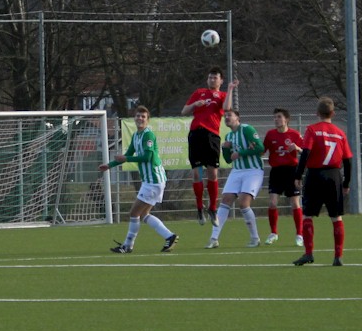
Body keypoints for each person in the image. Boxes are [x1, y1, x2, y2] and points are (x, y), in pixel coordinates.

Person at [100, 106, 179, 254]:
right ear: (134, 118)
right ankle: (169, 236)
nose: (140, 118)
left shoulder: (148, 135)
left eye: (143, 116)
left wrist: (126, 159)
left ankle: (128, 245)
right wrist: (109, 165)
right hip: (150, 181)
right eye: (138, 116)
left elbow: (147, 157)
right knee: (143, 215)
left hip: (154, 180)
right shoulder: (136, 136)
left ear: (148, 120)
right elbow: (128, 154)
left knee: (134, 213)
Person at [292, 97, 353, 267]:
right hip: (334, 176)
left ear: (317, 113)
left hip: (315, 175)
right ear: (333, 113)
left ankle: (308, 253)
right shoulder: (340, 133)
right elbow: (348, 161)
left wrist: (298, 175)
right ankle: (338, 256)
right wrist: (346, 183)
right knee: (336, 217)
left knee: (307, 215)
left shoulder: (312, 130)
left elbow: (305, 153)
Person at [181, 66, 238, 226]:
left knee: (212, 173)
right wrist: (195, 104)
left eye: (215, 78)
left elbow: (226, 108)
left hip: (212, 136)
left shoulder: (223, 95)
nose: (212, 80)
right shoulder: (199, 92)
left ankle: (212, 208)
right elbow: (184, 111)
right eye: (210, 77)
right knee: (196, 174)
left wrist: (230, 89)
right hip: (195, 134)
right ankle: (200, 208)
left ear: (221, 80)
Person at [205, 109, 264, 249]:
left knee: (243, 203)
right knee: (225, 200)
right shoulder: (229, 136)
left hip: (253, 170)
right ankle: (214, 238)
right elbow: (228, 159)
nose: (226, 117)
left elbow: (260, 148)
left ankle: (255, 238)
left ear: (237, 117)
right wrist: (225, 149)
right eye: (225, 116)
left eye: (229, 115)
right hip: (237, 171)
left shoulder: (247, 129)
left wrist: (241, 153)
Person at [262, 108, 304, 246]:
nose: (276, 119)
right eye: (275, 117)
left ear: (286, 119)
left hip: (291, 171)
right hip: (276, 172)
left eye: (279, 117)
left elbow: (305, 152)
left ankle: (299, 235)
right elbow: (262, 150)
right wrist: (254, 148)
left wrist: (297, 148)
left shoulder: (294, 134)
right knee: (273, 203)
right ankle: (273, 233)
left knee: (295, 203)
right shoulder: (270, 134)